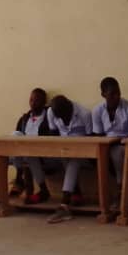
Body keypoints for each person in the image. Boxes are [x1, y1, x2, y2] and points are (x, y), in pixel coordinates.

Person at [0, 88, 52, 210]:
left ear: (44, 102)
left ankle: (39, 188)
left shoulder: (48, 119)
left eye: (37, 100)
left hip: (37, 154)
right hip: (18, 154)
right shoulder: (24, 118)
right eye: (31, 100)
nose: (33, 103)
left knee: (29, 155)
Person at [91, 77, 128, 209]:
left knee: (119, 153)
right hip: (107, 145)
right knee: (103, 155)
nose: (116, 96)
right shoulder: (97, 111)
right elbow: (98, 135)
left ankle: (121, 193)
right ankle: (111, 198)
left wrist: (120, 142)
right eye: (112, 94)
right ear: (103, 94)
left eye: (118, 92)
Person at [45, 95, 93, 224]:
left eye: (65, 117)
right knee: (64, 157)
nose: (63, 120)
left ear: (70, 109)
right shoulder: (51, 113)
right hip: (63, 153)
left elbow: (92, 142)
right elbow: (53, 136)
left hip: (85, 155)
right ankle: (76, 193)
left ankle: (64, 204)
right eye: (60, 118)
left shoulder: (84, 114)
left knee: (74, 160)